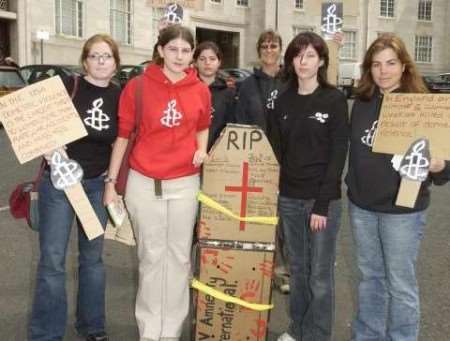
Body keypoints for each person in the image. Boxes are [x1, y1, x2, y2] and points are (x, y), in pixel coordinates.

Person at [103, 25, 211, 340]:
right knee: (150, 258)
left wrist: (201, 148)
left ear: (192, 54)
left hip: (185, 184)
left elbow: (202, 126)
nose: (180, 56)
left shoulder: (200, 89)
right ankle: (150, 331)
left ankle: (171, 331)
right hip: (143, 182)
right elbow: (122, 137)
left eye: (185, 50)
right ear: (161, 50)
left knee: (178, 259)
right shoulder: (137, 86)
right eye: (173, 49)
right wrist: (111, 182)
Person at [346, 33, 449, 341]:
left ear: (404, 66)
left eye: (391, 63)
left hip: (402, 211)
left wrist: (440, 165)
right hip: (362, 206)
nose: (384, 71)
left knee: (400, 283)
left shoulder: (422, 106)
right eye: (376, 64)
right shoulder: (362, 103)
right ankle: (368, 336)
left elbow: (445, 166)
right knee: (370, 279)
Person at [29, 34, 121, 341]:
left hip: (96, 186)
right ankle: (46, 334)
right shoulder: (69, 86)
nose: (100, 61)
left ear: (115, 63)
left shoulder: (120, 95)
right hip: (60, 184)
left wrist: (113, 180)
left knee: (92, 260)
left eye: (106, 56)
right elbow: (32, 117)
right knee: (52, 260)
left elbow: (125, 139)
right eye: (94, 56)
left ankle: (92, 327)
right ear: (84, 61)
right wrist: (47, 145)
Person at [267, 31, 349, 341]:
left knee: (320, 276)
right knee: (298, 272)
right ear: (291, 60)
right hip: (289, 197)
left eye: (311, 55)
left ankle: (317, 335)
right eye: (298, 55)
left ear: (322, 61)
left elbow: (338, 154)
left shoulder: (334, 99)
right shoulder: (282, 99)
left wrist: (322, 204)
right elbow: (275, 150)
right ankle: (297, 329)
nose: (304, 61)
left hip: (320, 201)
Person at [235, 29, 283, 132]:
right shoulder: (247, 85)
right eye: (264, 47)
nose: (269, 50)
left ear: (280, 50)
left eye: (273, 46)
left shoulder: (290, 82)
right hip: (257, 145)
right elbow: (241, 122)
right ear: (259, 51)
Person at [193, 41, 236, 150]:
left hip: (218, 154)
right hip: (190, 153)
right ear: (195, 62)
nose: (207, 63)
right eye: (202, 59)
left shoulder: (228, 92)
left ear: (219, 62)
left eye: (212, 59)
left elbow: (231, 126)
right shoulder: (188, 89)